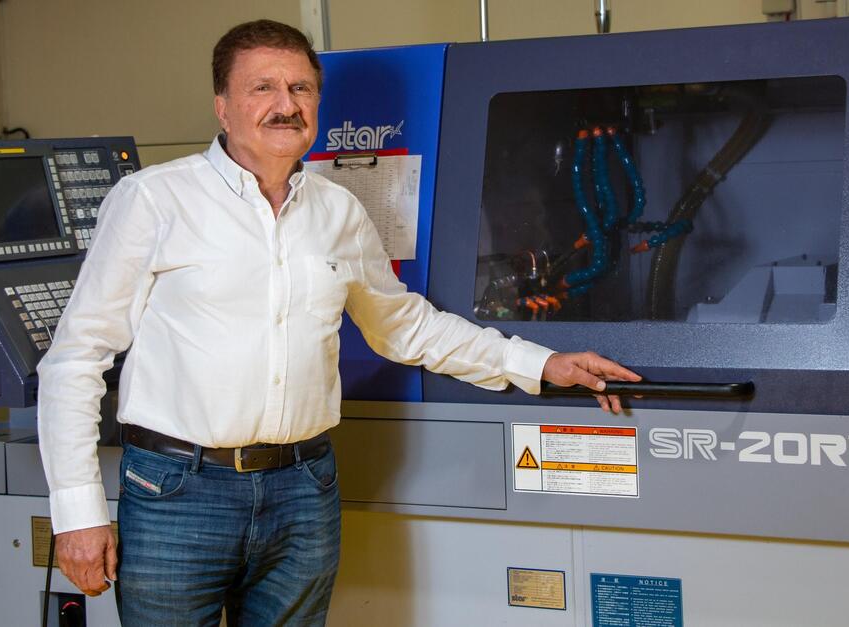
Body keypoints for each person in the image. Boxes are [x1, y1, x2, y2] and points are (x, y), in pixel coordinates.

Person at [37, 19, 641, 627]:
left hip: (304, 490)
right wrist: (77, 511)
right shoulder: (153, 201)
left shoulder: (337, 209)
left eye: (301, 89)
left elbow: (403, 324)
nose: (285, 105)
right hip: (177, 493)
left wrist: (539, 362)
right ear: (222, 107)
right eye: (263, 88)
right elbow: (76, 357)